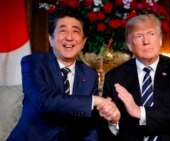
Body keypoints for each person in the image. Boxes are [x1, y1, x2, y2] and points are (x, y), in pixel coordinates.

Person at [7, 7, 120, 141]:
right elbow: (45, 101)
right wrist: (95, 100)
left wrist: (112, 118)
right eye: (63, 30)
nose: (69, 37)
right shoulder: (33, 62)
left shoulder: (90, 75)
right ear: (50, 39)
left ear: (83, 42)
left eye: (75, 31)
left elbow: (91, 124)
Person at [100, 14, 170, 141]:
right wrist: (113, 121)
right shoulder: (115, 77)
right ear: (129, 44)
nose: (146, 41)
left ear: (160, 39)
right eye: (139, 36)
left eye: (151, 34)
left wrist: (140, 112)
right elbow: (105, 128)